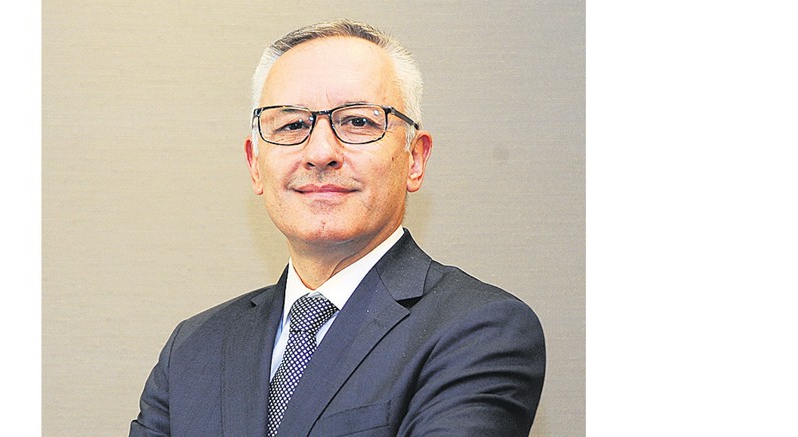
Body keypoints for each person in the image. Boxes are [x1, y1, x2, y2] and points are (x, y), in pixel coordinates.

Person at [130, 19, 545, 437]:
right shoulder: (193, 349)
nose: (320, 152)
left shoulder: (479, 330)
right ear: (255, 165)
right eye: (292, 125)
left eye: (358, 122)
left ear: (415, 160)